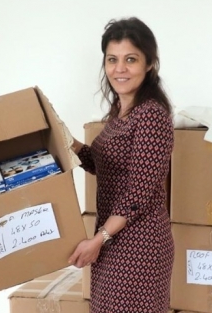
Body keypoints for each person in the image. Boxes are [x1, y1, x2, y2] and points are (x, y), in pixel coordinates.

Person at [68, 17, 175, 313]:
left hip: (139, 246)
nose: (120, 69)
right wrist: (66, 141)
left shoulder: (151, 116)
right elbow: (101, 165)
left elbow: (138, 193)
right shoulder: (121, 111)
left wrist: (98, 239)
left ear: (149, 63)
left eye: (131, 59)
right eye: (112, 59)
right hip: (113, 240)